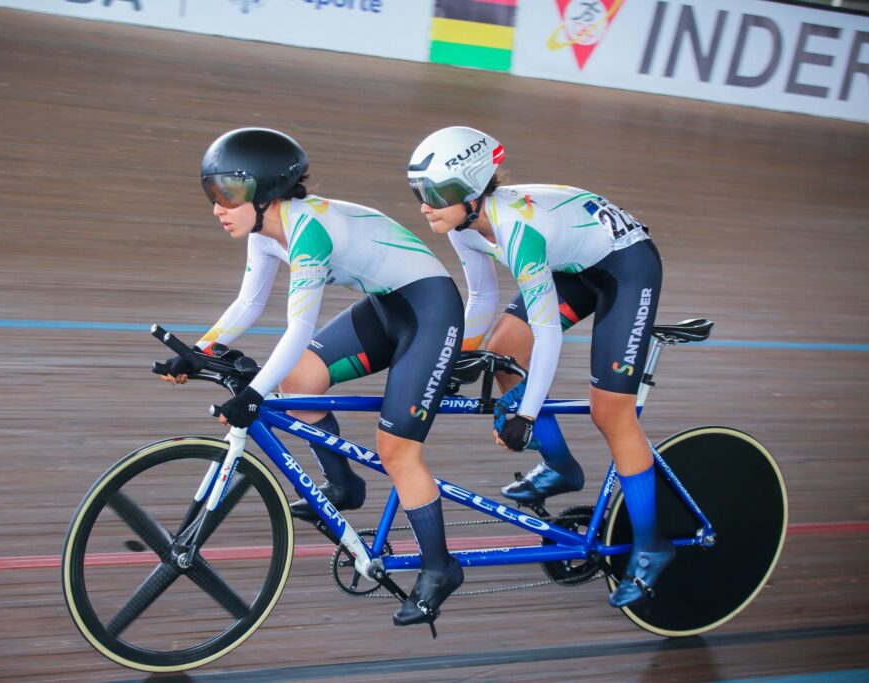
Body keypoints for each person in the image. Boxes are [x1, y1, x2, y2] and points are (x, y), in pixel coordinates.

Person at [163, 127, 465, 625]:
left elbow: (298, 327)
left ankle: (440, 568)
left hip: (430, 309)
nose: (216, 207)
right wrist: (200, 350)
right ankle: (343, 487)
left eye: (226, 195)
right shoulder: (266, 228)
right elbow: (250, 302)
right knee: (300, 380)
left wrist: (253, 394)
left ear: (264, 194)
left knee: (396, 449)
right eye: (210, 193)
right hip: (388, 305)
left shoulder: (308, 233)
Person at [406, 126, 672, 608]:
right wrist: (453, 356)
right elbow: (483, 296)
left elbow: (548, 333)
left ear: (471, 191)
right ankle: (561, 466)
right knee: (504, 353)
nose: (424, 205)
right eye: (418, 192)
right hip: (574, 262)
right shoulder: (466, 222)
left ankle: (653, 545)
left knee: (611, 413)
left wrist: (526, 415)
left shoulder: (515, 231)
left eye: (434, 194)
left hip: (625, 269)